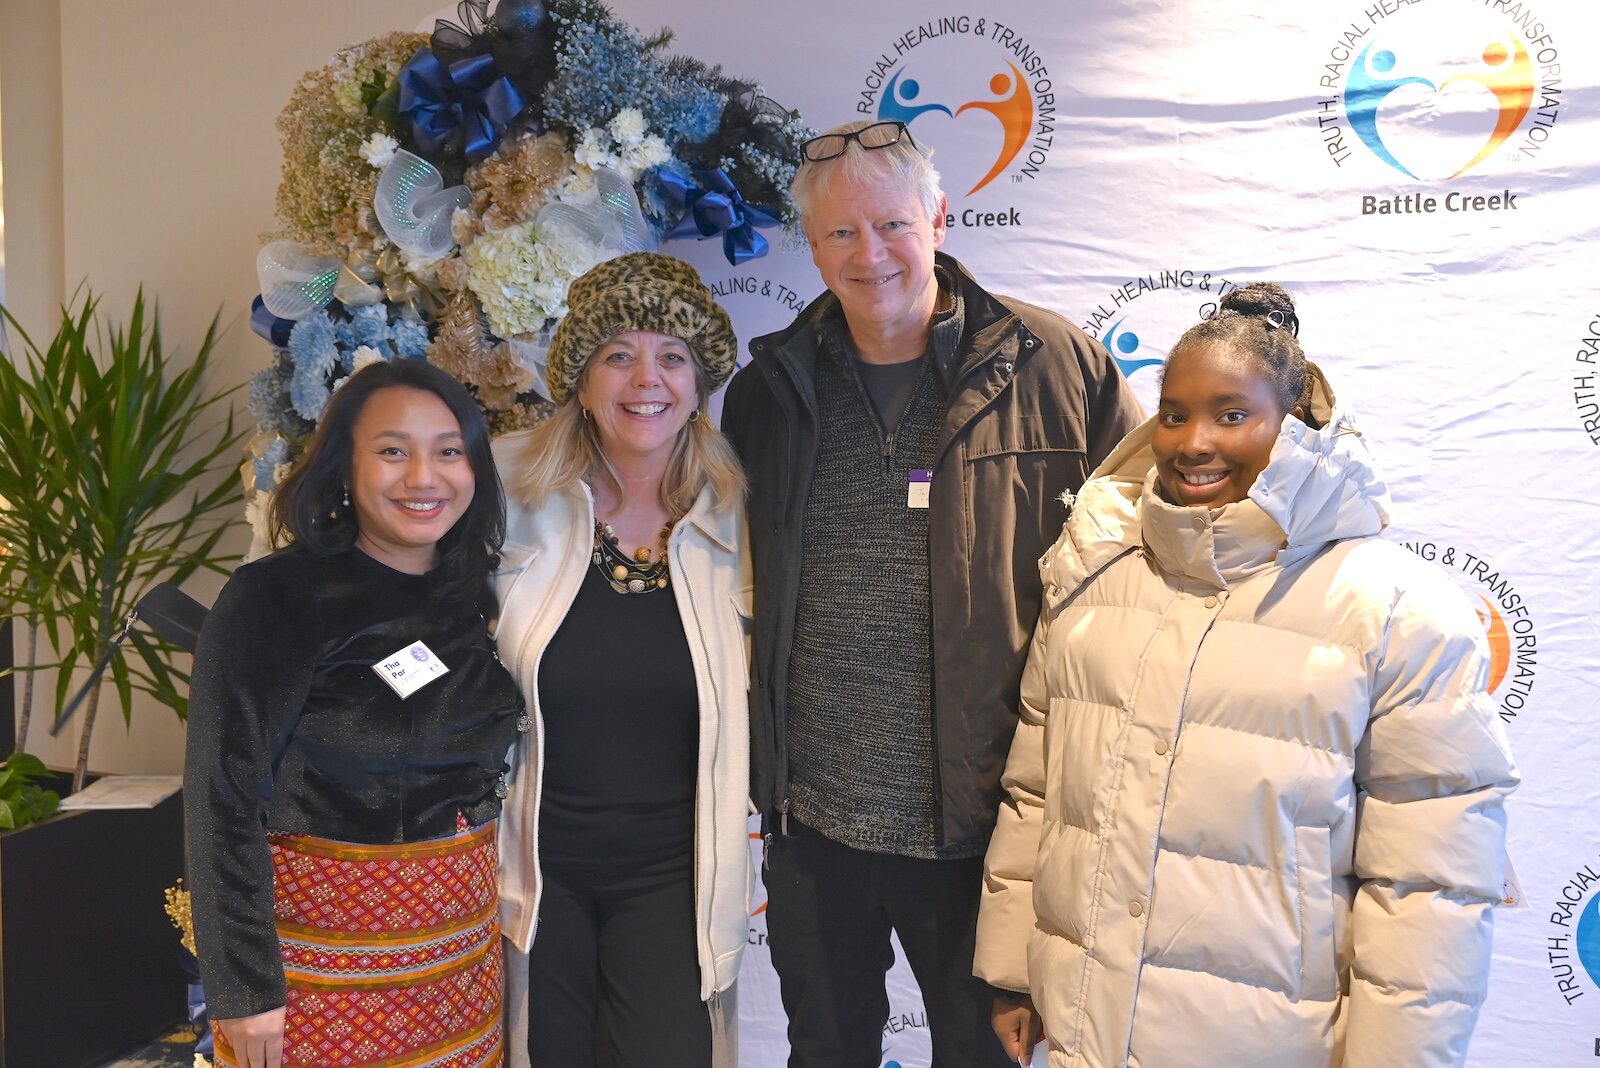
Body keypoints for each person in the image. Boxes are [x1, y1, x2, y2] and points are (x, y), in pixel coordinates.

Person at [975, 283, 1518, 1067]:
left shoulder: (1398, 610)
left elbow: (1428, 888)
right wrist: (1010, 972)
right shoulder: (1095, 579)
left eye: (1232, 414)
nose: (1194, 440)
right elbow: (1038, 792)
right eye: (1174, 413)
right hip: (1084, 1034)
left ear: (1292, 426)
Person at [719, 118, 1143, 1066]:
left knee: (986, 1056)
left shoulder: (1056, 368)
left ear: (940, 217)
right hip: (816, 823)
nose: (869, 255)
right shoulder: (769, 392)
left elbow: (1148, 560)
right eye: (839, 234)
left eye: (892, 225)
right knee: (824, 1049)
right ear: (812, 244)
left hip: (989, 827)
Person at [185, 357, 525, 1068]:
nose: (424, 478)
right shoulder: (276, 599)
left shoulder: (472, 592)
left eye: (448, 451)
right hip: (320, 976)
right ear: (344, 466)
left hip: (460, 967)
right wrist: (243, 990)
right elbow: (221, 799)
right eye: (392, 451)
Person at [492, 252, 751, 1068]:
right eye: (618, 355)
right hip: (536, 875)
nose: (648, 379)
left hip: (674, 877)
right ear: (580, 377)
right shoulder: (504, 490)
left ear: (701, 379)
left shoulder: (744, 512)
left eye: (672, 356)